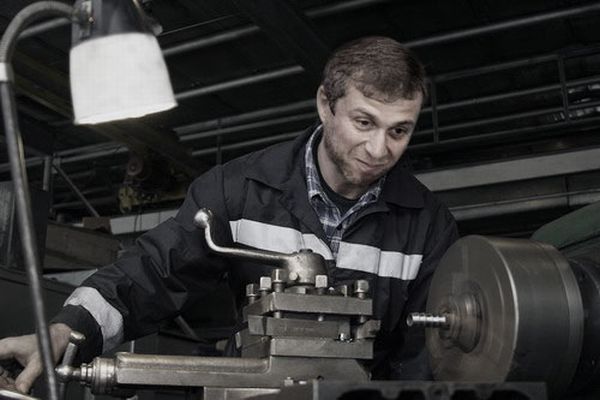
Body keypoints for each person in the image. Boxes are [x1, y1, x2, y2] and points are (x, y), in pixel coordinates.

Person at [0, 36, 458, 393]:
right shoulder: (238, 191)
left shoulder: (427, 226)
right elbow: (153, 274)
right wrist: (66, 331)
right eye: (364, 122)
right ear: (326, 104)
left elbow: (428, 357)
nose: (379, 149)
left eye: (399, 131)